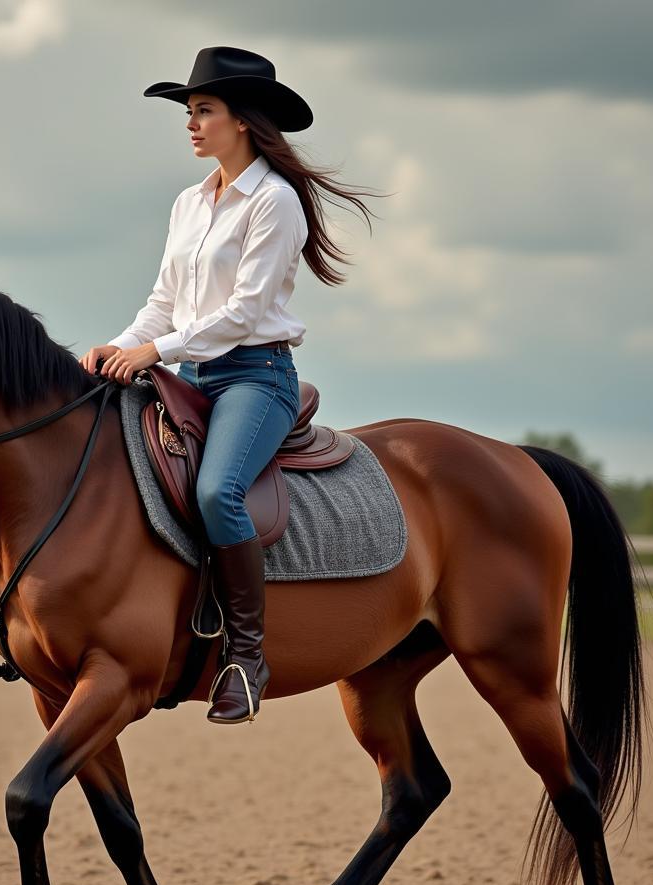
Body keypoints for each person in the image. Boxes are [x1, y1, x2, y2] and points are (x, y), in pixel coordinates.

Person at [80, 46, 385, 725]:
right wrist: (122, 346)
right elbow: (164, 300)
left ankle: (246, 657)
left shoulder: (274, 202)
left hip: (255, 375)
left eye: (204, 111)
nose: (191, 124)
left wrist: (155, 350)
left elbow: (242, 313)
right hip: (188, 372)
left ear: (242, 121)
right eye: (188, 113)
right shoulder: (189, 202)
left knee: (218, 491)